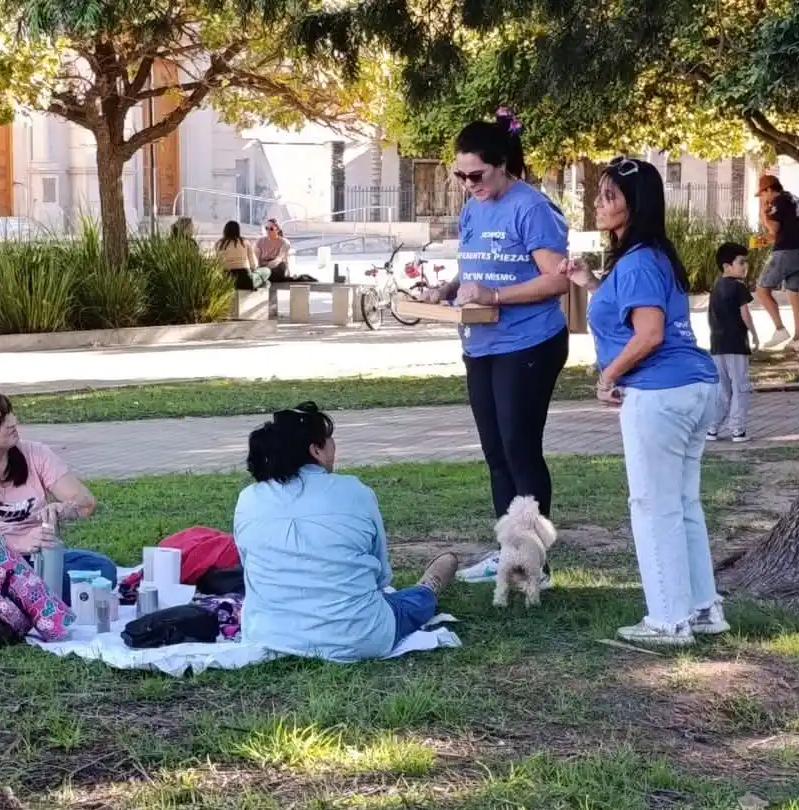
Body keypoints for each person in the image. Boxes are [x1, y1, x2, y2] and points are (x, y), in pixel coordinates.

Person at [562, 156, 726, 647]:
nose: (598, 202)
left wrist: (608, 375)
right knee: (681, 502)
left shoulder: (636, 263)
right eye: (599, 193)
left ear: (634, 206)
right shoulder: (654, 256)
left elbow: (649, 333)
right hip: (694, 387)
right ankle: (702, 609)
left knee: (652, 505)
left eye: (609, 196)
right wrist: (591, 284)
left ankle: (668, 620)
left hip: (660, 393)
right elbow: (639, 310)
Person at [421, 112, 570, 557]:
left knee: (520, 450)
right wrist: (447, 289)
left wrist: (495, 294)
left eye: (477, 174)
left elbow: (557, 280)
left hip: (528, 343)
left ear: (502, 163)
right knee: (496, 455)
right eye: (460, 175)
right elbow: (475, 270)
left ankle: (531, 556)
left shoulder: (531, 207)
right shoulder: (473, 207)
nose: (469, 183)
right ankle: (508, 551)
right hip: (480, 343)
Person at [233, 402, 458, 663]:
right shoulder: (355, 492)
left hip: (269, 633)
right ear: (316, 450)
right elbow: (382, 577)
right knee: (414, 600)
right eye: (329, 440)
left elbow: (249, 566)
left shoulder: (248, 499)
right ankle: (429, 586)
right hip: (359, 636)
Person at [0, 387, 117, 648]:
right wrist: (20, 544)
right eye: (1, 420)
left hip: (33, 561)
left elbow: (86, 502)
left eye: (10, 414)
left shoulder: (35, 454)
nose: (13, 422)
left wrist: (64, 509)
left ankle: (9, 609)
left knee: (102, 570)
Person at [706, 242, 759, 443]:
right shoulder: (739, 287)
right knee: (740, 386)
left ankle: (712, 427)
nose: (745, 267)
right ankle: (737, 429)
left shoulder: (716, 286)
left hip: (717, 344)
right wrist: (754, 334)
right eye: (741, 262)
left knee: (723, 388)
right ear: (727, 265)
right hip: (736, 344)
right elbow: (745, 313)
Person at [755, 175, 799, 350]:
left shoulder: (779, 201)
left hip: (784, 254)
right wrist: (767, 240)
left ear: (769, 189)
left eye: (763, 194)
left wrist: (763, 213)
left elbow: (774, 228)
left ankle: (780, 329)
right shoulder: (796, 201)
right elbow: (783, 233)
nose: (764, 199)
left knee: (762, 290)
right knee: (795, 296)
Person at [216, 221, 269, 291]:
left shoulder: (219, 243)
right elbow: (252, 263)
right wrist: (254, 271)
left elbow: (218, 264)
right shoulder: (245, 242)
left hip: (227, 281)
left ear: (225, 230)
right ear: (238, 230)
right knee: (266, 270)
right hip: (245, 280)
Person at [255, 218, 293, 283]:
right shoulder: (260, 241)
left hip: (277, 267)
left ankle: (262, 277)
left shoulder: (284, 242)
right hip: (263, 268)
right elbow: (257, 260)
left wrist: (265, 269)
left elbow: (279, 259)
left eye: (271, 229)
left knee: (280, 267)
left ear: (277, 230)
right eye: (266, 228)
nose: (268, 231)